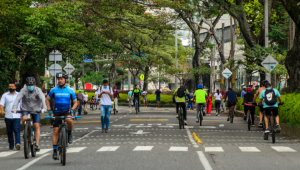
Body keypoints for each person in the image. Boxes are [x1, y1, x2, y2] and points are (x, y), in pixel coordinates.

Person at [46, 72, 78, 160]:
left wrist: (72, 110)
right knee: (55, 131)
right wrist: (49, 110)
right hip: (56, 112)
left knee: (70, 120)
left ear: (65, 80)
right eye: (58, 79)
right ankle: (55, 151)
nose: (60, 81)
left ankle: (69, 134)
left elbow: (75, 102)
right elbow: (47, 100)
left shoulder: (70, 90)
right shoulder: (54, 90)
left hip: (66, 111)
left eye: (61, 79)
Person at [12, 77, 47, 152]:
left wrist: (44, 107)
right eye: (29, 85)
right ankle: (26, 131)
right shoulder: (23, 90)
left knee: (36, 126)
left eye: (32, 84)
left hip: (36, 109)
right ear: (26, 85)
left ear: (35, 84)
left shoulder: (38, 90)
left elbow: (42, 98)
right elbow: (18, 98)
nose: (30, 86)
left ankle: (37, 144)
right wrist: (14, 108)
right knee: (24, 119)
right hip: (26, 109)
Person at [0, 81, 22, 150]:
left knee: (16, 130)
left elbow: (23, 104)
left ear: (15, 87)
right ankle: (11, 145)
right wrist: (2, 110)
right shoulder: (5, 95)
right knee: (9, 131)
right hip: (8, 116)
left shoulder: (19, 95)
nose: (11, 88)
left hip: (17, 116)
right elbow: (1, 104)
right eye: (10, 87)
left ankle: (18, 143)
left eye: (12, 87)